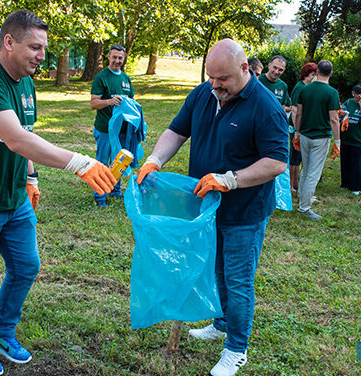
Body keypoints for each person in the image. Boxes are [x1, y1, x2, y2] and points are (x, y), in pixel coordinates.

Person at [0, 11, 116, 376]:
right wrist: (80, 163)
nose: (42, 55)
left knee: (26, 266)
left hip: (13, 195)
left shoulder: (26, 82)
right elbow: (16, 138)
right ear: (9, 42)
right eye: (34, 47)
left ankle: (2, 332)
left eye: (44, 48)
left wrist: (32, 179)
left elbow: (27, 136)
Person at [136, 39, 287, 376]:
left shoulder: (265, 106)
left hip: (243, 212)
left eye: (224, 79)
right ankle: (221, 322)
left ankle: (236, 348)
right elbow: (177, 131)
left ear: (245, 69)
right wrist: (155, 160)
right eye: (211, 78)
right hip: (206, 207)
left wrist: (230, 179)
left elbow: (277, 162)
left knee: (238, 280)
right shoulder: (203, 93)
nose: (216, 85)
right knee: (215, 269)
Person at [293, 60, 341, 219]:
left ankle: (302, 197)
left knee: (306, 168)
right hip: (321, 137)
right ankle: (304, 207)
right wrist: (338, 141)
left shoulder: (304, 89)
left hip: (305, 135)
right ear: (331, 73)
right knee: (314, 172)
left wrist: (297, 133)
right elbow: (334, 119)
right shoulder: (332, 92)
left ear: (317, 71)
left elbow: (298, 113)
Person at [90, 44, 135, 207]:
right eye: (114, 57)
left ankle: (115, 191)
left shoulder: (125, 79)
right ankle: (99, 195)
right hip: (105, 130)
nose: (117, 60)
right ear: (108, 57)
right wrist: (109, 101)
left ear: (124, 59)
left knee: (119, 161)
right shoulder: (101, 78)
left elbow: (132, 101)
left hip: (122, 130)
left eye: (120, 58)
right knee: (102, 162)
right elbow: (93, 103)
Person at [288, 62, 318, 191]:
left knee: (299, 157)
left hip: (302, 128)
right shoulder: (300, 87)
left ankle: (296, 183)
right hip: (295, 128)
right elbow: (294, 111)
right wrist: (297, 131)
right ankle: (291, 184)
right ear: (306, 75)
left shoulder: (309, 88)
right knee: (294, 157)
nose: (314, 78)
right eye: (312, 75)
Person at [340, 84, 361, 195]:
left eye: (357, 94)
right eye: (353, 93)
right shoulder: (349, 102)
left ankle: (356, 187)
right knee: (345, 162)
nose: (354, 96)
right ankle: (345, 184)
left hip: (359, 140)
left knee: (357, 164)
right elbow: (340, 111)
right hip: (346, 138)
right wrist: (342, 113)